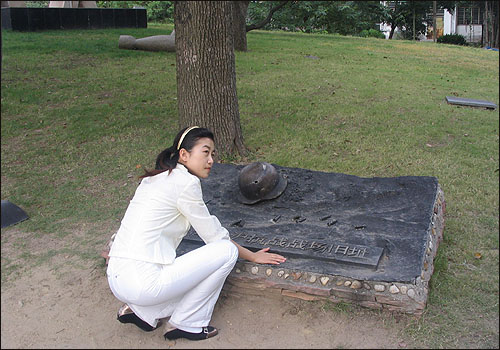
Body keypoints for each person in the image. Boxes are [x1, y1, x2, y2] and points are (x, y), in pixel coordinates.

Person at [106, 126, 286, 341]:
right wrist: (253, 256)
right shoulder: (185, 183)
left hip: (116, 277)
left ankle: (143, 313)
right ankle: (187, 323)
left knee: (189, 271)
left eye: (213, 154)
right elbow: (215, 237)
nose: (211, 160)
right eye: (205, 152)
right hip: (141, 284)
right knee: (226, 252)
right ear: (184, 154)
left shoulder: (154, 179)